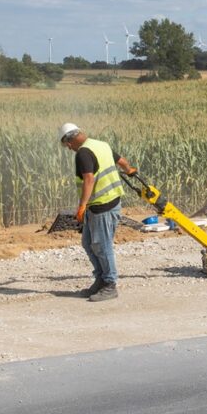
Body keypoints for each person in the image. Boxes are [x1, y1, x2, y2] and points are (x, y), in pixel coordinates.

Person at [58, 122, 136, 302]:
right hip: (105, 203)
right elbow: (122, 161)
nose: (69, 148)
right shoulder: (101, 145)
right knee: (88, 243)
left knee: (102, 245)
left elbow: (89, 179)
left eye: (67, 145)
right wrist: (129, 170)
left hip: (102, 206)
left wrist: (82, 206)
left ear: (70, 141)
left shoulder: (83, 153)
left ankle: (110, 284)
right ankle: (101, 279)